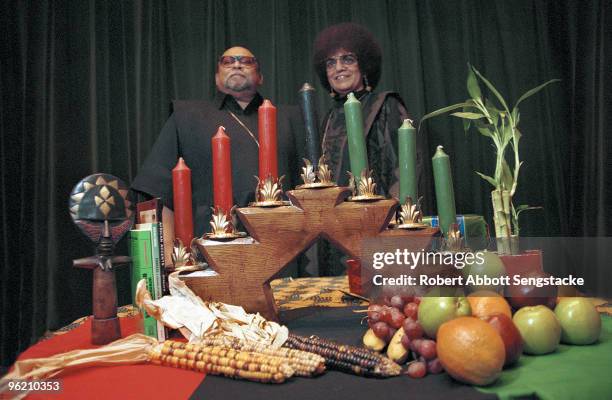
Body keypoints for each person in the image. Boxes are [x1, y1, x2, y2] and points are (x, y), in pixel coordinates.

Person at [131, 46, 304, 236]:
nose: (237, 65)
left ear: (261, 77)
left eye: (246, 61)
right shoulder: (186, 117)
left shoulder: (289, 119)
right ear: (216, 77)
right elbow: (157, 189)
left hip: (282, 238)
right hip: (210, 242)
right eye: (227, 61)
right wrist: (171, 256)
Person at [312, 23, 426, 275]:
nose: (338, 67)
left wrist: (393, 221)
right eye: (330, 63)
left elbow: (404, 169)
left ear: (364, 65)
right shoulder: (329, 117)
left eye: (347, 59)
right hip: (335, 231)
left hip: (379, 224)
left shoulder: (385, 105)